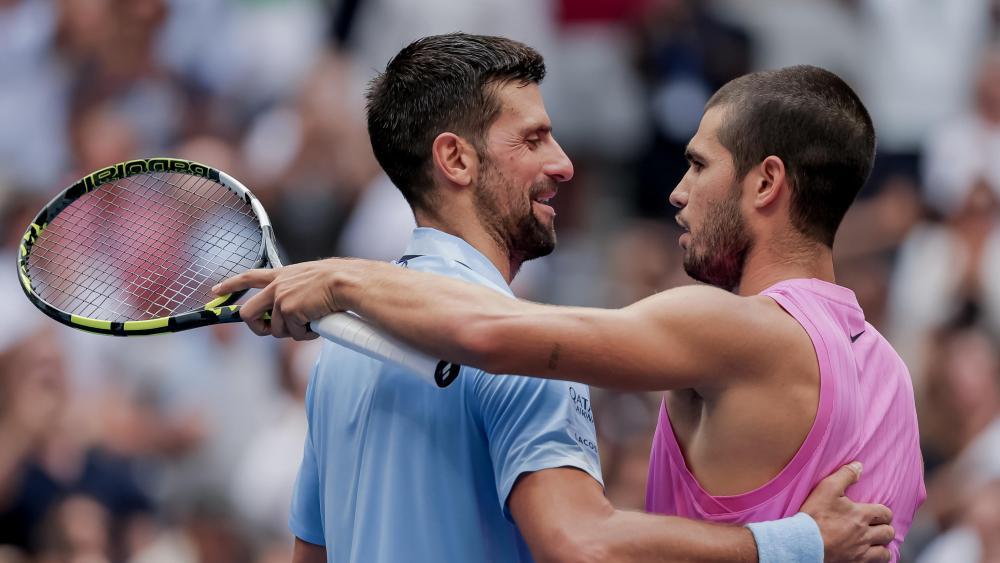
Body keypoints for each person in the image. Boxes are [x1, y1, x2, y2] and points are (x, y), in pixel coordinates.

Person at [217, 34, 896, 562]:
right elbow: (582, 543)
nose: (564, 163)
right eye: (535, 138)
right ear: (456, 160)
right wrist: (797, 542)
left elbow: (313, 552)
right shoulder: (523, 351)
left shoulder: (338, 353)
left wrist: (343, 279)